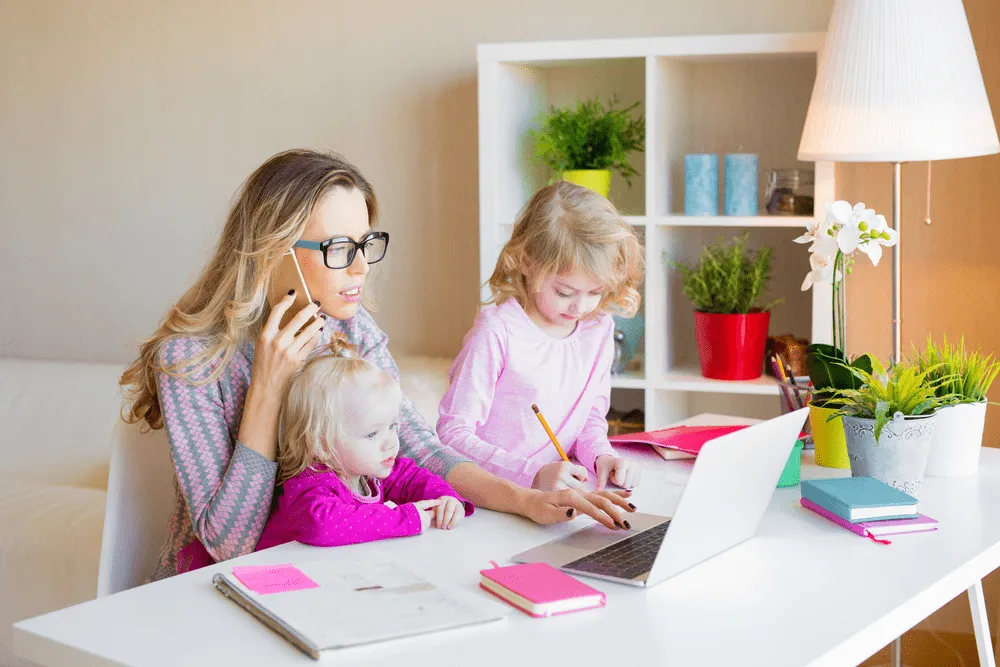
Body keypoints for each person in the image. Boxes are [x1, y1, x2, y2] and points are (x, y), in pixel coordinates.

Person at [120, 149, 634, 580]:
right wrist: (268, 387)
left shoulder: (351, 329)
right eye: (340, 248)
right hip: (216, 595)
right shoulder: (191, 359)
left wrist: (523, 499)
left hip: (333, 572)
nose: (362, 267)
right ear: (270, 249)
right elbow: (230, 544)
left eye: (366, 244)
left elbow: (421, 448)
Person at [438, 182, 645, 505]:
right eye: (565, 292)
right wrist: (531, 473)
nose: (580, 307)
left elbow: (589, 418)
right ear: (527, 262)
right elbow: (452, 437)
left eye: (596, 292)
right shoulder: (498, 332)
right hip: (494, 501)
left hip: (555, 500)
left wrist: (601, 457)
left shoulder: (597, 328)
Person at [255, 335, 471, 552]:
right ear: (323, 444)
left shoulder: (370, 470)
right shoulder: (309, 484)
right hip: (277, 578)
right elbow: (321, 525)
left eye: (392, 426)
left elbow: (413, 479)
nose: (390, 443)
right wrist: (404, 518)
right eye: (372, 434)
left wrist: (447, 500)